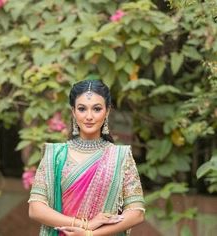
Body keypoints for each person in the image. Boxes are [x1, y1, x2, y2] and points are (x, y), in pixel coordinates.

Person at [28, 79, 145, 236]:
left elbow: (136, 213)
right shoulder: (54, 155)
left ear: (107, 111)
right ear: (73, 112)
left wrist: (89, 234)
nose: (89, 116)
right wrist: (85, 224)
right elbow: (35, 209)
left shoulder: (121, 157)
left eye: (97, 109)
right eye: (82, 109)